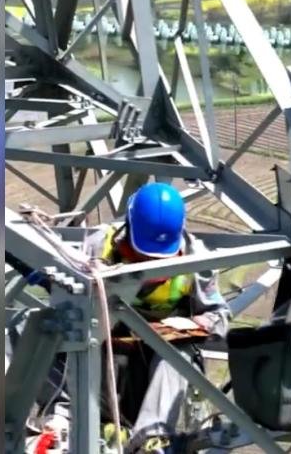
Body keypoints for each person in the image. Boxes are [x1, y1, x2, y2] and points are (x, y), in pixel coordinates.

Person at [84, 182, 230, 454]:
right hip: (108, 349)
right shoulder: (98, 246)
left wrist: (200, 325)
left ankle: (150, 439)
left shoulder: (196, 258)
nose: (153, 266)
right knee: (68, 340)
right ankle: (73, 419)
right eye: (145, 255)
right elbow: (74, 306)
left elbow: (220, 316)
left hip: (161, 357)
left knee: (180, 354)